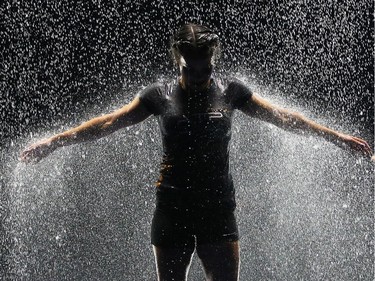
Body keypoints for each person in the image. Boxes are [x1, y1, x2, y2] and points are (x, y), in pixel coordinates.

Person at [20, 23, 373, 281]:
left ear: (213, 61)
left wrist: (336, 137)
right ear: (178, 63)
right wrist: (54, 142)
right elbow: (108, 123)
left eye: (207, 68)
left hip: (217, 209)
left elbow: (284, 118)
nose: (200, 76)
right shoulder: (159, 95)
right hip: (172, 209)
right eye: (191, 70)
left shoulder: (230, 92)